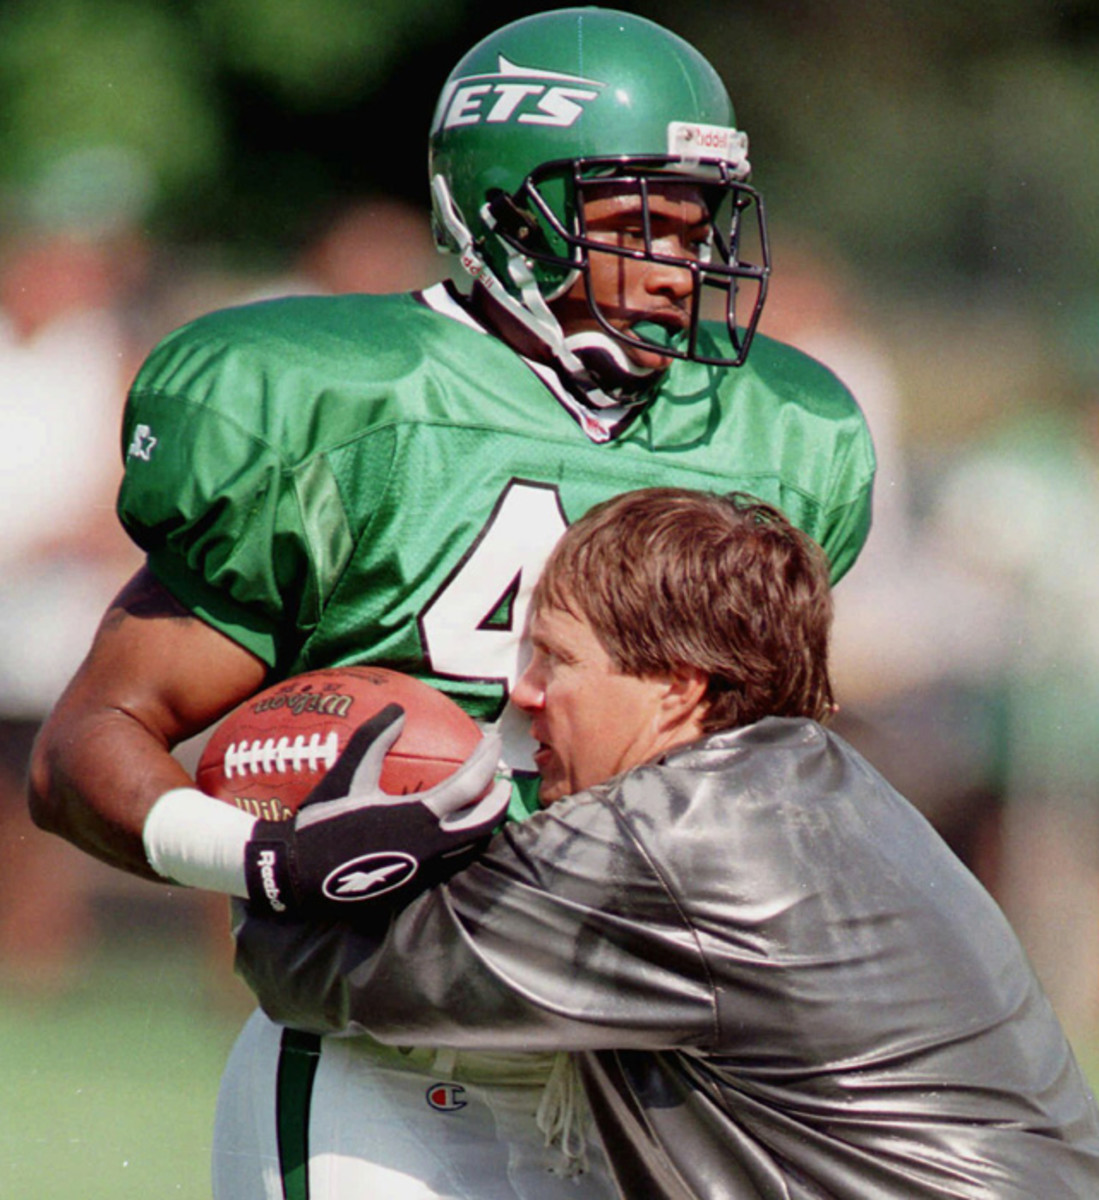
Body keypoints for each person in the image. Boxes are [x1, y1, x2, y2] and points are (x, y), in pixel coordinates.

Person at [27, 8, 876, 1198]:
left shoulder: (776, 435)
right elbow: (85, 745)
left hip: (653, 1082)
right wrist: (265, 857)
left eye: (697, 224)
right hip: (388, 1069)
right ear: (504, 214)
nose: (678, 265)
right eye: (635, 223)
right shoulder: (339, 404)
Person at [236, 487, 1099, 1200]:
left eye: (556, 658)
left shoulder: (660, 837)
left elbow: (342, 973)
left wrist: (299, 850)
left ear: (678, 689)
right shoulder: (833, 785)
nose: (524, 692)